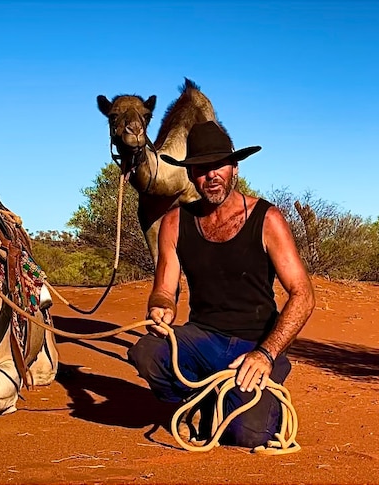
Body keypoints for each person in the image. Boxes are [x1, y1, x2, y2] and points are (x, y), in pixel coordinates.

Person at [127, 120, 315, 448]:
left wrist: (267, 355)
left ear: (234, 168)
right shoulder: (174, 223)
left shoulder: (267, 219)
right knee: (146, 352)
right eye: (201, 168)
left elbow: (303, 295)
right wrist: (160, 307)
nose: (211, 175)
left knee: (245, 435)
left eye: (219, 166)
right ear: (190, 174)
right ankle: (196, 400)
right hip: (203, 337)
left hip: (257, 343)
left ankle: (262, 404)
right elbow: (164, 290)